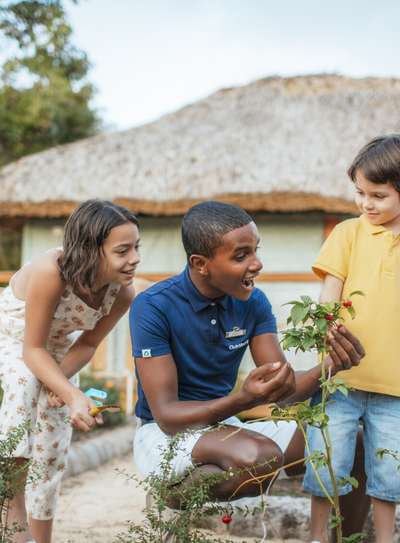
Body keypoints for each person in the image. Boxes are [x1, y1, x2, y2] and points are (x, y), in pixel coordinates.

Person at [130, 200, 367, 535]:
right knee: (260, 456)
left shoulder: (253, 302)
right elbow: (167, 416)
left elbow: (285, 392)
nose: (257, 264)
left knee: (351, 442)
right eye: (241, 256)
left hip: (225, 427)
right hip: (164, 436)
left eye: (255, 250)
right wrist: (243, 399)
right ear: (201, 264)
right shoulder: (154, 306)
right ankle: (175, 493)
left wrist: (332, 365)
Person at [0, 199, 140, 543]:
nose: (134, 258)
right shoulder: (52, 272)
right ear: (90, 251)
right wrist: (71, 392)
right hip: (14, 336)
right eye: (123, 250)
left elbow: (88, 345)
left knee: (52, 449)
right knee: (24, 384)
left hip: (60, 350)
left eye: (136, 247)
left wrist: (62, 389)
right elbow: (31, 349)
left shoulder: (122, 292)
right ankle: (10, 492)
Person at [304, 134, 400, 543]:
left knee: (390, 471)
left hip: (396, 384)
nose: (366, 203)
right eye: (360, 192)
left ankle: (384, 539)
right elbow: (331, 288)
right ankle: (319, 536)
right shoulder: (347, 233)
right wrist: (325, 327)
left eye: (377, 195)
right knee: (325, 461)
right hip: (340, 377)